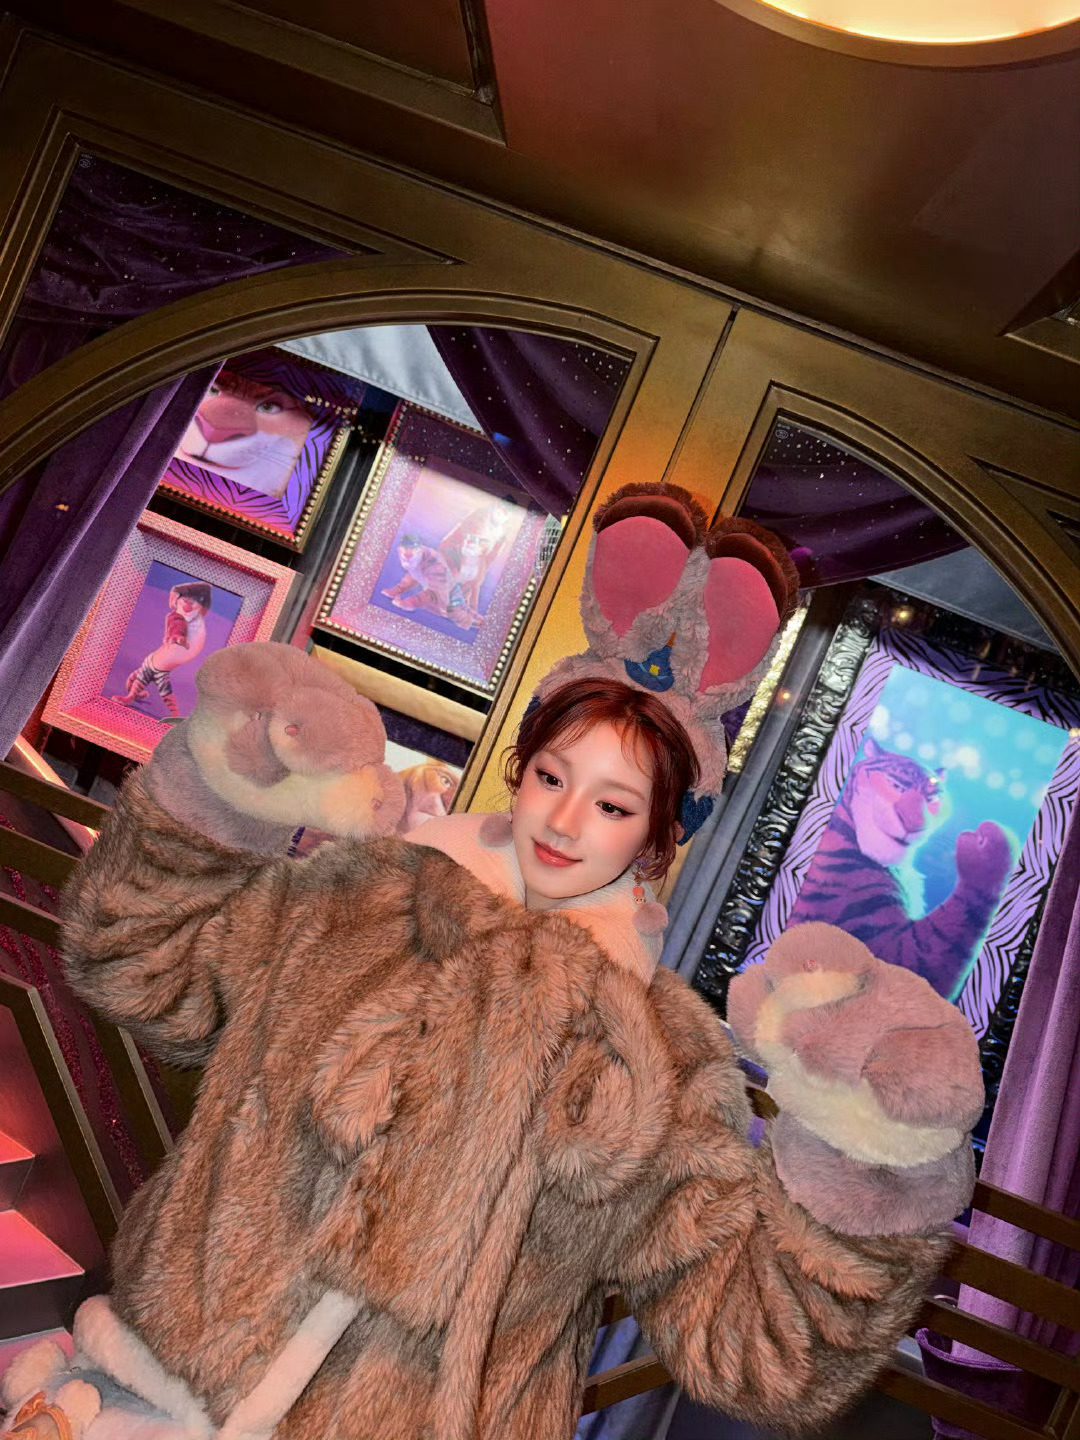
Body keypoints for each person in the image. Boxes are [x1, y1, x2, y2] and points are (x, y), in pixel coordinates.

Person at [2, 485, 983, 1440]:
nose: (565, 820)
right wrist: (227, 790)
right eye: (553, 775)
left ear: (659, 836)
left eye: (613, 804)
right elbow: (140, 965)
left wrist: (872, 1156)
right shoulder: (359, 902)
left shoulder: (660, 1058)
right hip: (146, 1399)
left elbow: (760, 1353)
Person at [113, 581, 212, 717]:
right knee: (144, 683)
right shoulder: (177, 618)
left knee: (140, 681)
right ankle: (135, 698)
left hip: (157, 663)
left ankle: (135, 697)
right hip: (157, 665)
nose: (188, 607)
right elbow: (177, 628)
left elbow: (179, 628)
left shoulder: (191, 619)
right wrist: (177, 637)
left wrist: (178, 636)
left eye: (192, 603)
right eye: (185, 602)